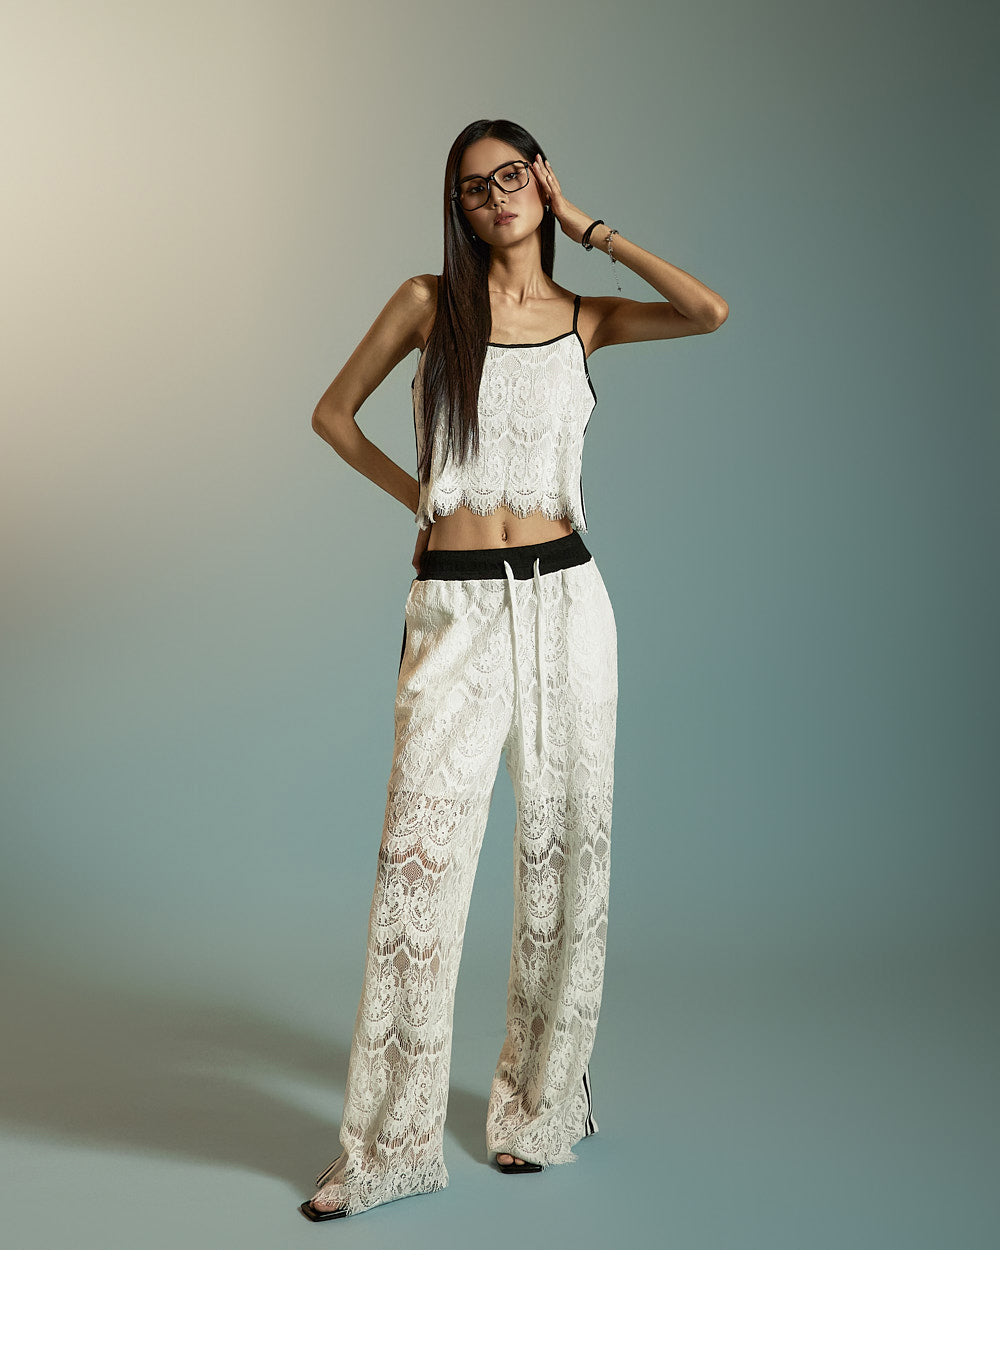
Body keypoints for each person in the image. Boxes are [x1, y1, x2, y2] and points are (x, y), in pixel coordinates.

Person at [299, 119, 728, 1221]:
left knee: (567, 852)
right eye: (472, 188)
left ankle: (537, 1114)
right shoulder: (426, 304)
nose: (493, 198)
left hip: (568, 603)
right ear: (457, 208)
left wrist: (591, 227)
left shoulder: (586, 318)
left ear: (539, 181)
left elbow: (706, 311)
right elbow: (332, 416)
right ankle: (386, 1148)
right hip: (455, 605)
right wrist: (426, 504)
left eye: (511, 177)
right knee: (419, 864)